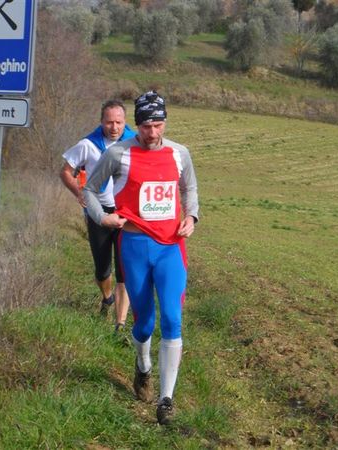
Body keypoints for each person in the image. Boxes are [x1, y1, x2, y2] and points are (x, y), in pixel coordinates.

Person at [83, 91, 199, 425]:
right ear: (138, 125)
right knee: (145, 322)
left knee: (173, 319)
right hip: (134, 246)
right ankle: (143, 365)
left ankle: (166, 400)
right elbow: (90, 189)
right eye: (146, 126)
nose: (152, 132)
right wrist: (102, 218)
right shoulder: (119, 153)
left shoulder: (180, 153)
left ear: (165, 123)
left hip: (170, 248)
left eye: (158, 124)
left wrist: (191, 217)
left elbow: (190, 190)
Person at [60, 99, 137, 331]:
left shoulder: (135, 143)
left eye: (119, 122)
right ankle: (106, 298)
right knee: (102, 269)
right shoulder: (88, 144)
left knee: (124, 271)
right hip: (98, 213)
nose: (114, 127)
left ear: (125, 122)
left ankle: (120, 325)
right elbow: (65, 171)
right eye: (109, 122)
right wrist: (79, 193)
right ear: (101, 122)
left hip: (126, 214)